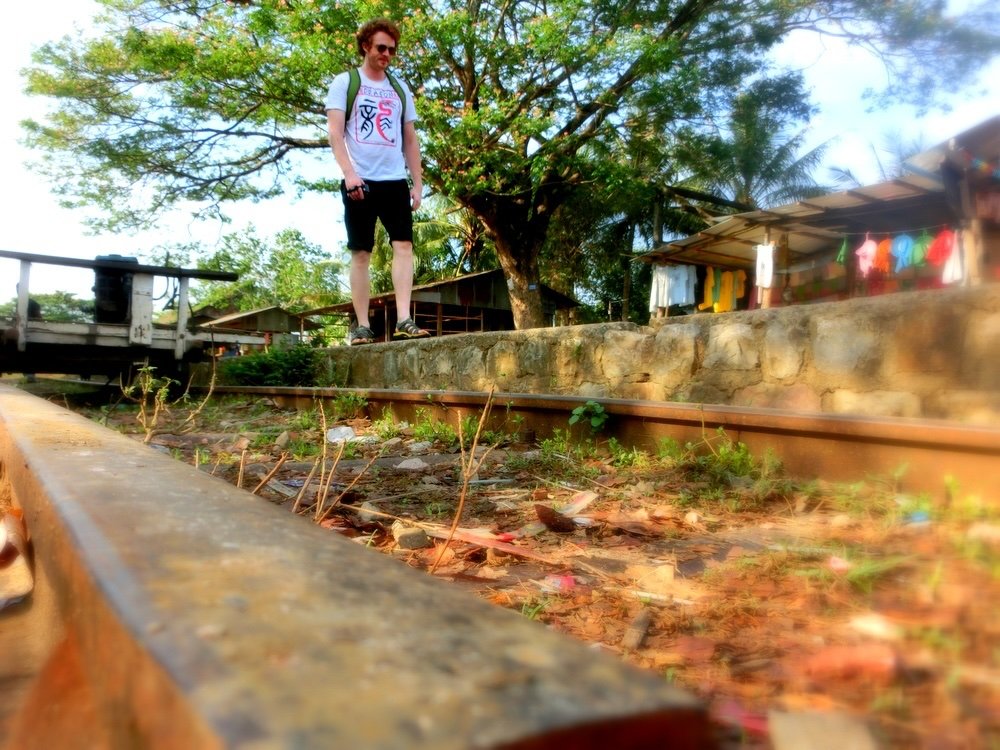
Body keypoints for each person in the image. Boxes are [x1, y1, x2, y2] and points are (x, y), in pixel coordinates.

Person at [325, 18, 429, 345]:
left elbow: (410, 139)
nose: (387, 54)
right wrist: (349, 174)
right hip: (361, 181)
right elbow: (335, 132)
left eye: (392, 50)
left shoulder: (399, 90)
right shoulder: (346, 83)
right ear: (366, 46)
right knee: (361, 253)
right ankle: (361, 326)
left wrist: (418, 182)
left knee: (404, 246)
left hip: (394, 180)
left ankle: (403, 319)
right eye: (381, 47)